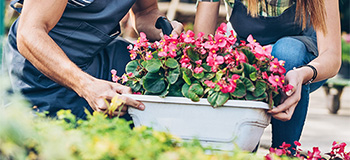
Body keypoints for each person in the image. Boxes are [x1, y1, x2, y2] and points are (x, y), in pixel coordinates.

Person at [194, 0, 341, 151]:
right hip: (251, 55)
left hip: (300, 62)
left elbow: (332, 57)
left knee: (287, 52)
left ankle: (284, 152)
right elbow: (201, 46)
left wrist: (302, 74)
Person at [3, 0, 183, 119]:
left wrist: (162, 29)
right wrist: (87, 86)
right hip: (41, 70)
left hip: (96, 55)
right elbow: (29, 33)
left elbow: (146, 11)